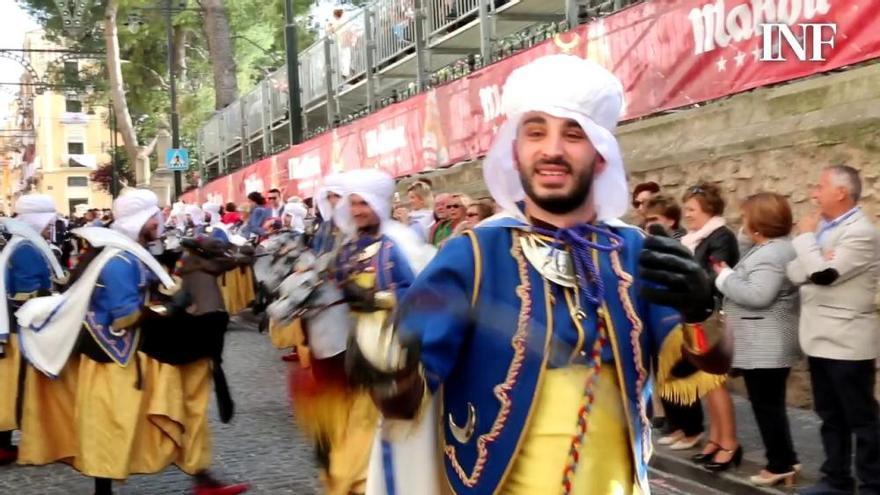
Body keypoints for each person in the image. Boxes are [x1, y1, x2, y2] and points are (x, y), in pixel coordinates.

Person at [346, 54, 728, 494]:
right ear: (516, 150)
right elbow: (403, 402)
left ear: (600, 155)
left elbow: (699, 367)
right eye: (535, 132)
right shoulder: (471, 255)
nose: (551, 150)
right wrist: (386, 368)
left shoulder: (634, 252)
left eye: (573, 134)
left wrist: (702, 312)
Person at [15, 188, 249, 495]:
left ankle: (201, 476)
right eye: (155, 218)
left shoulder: (128, 252)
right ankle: (117, 489)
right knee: (113, 425)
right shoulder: (119, 260)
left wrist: (164, 298)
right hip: (120, 357)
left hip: (134, 350)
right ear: (143, 220)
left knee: (185, 404)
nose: (160, 222)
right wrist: (167, 308)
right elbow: (124, 315)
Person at [291, 169, 431, 495]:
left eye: (363, 204)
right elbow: (333, 280)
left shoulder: (397, 244)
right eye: (352, 204)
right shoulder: (349, 247)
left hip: (391, 347)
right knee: (358, 416)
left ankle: (364, 480)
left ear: (378, 204)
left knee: (377, 421)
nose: (356, 211)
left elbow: (420, 295)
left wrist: (376, 298)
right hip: (355, 345)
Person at [787, 165, 880, 495]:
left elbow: (824, 274)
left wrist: (807, 240)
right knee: (829, 416)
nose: (814, 193)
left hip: (847, 341)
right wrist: (815, 252)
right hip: (818, 339)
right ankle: (836, 479)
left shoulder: (861, 233)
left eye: (820, 186)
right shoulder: (825, 230)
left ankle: (872, 484)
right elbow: (797, 272)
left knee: (862, 419)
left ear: (842, 192)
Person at [714, 193, 800, 487]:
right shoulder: (772, 247)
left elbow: (758, 295)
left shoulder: (773, 254)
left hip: (765, 344)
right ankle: (786, 458)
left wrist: (725, 278)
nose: (742, 222)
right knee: (770, 404)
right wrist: (750, 231)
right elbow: (746, 247)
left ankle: (780, 465)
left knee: (766, 406)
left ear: (760, 223)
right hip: (765, 342)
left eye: (746, 217)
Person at [0, 195, 65, 465]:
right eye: (50, 222)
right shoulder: (26, 248)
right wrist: (56, 297)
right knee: (14, 388)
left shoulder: (22, 245)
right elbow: (25, 293)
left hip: (15, 325)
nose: (52, 227)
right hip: (19, 330)